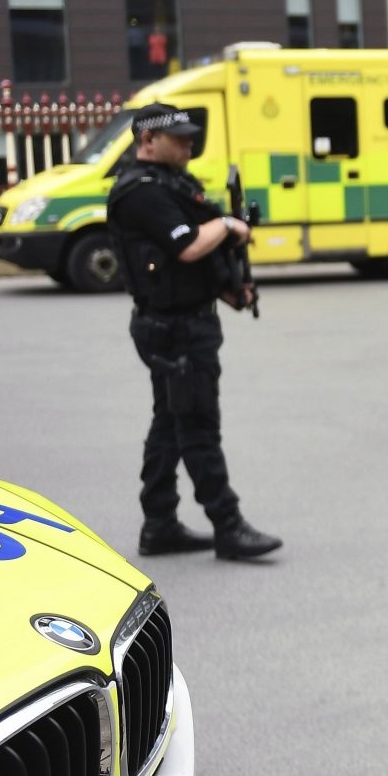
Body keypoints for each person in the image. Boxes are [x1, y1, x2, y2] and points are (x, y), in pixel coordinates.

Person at [106, 102, 282, 561]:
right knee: (198, 426)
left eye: (190, 137)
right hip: (175, 330)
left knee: (170, 423)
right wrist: (226, 226)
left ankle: (159, 524)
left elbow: (191, 262)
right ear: (147, 140)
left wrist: (228, 290)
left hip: (183, 321)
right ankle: (228, 525)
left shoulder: (174, 184)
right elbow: (186, 246)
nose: (189, 144)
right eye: (179, 138)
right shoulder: (140, 192)